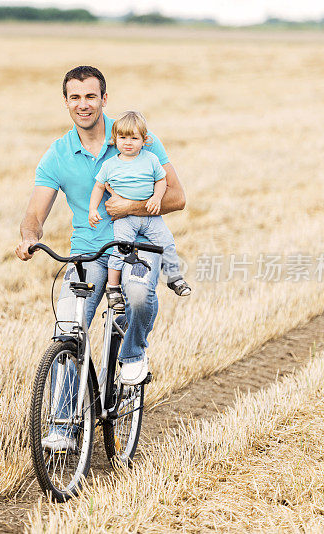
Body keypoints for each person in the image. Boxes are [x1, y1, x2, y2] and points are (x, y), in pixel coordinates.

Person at [15, 66, 186, 450]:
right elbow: (35, 213)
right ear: (66, 103)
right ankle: (62, 424)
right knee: (68, 331)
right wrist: (28, 237)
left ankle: (133, 355)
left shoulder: (135, 137)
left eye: (90, 96)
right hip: (88, 253)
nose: (83, 104)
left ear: (103, 99)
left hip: (138, 247)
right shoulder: (58, 154)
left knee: (140, 298)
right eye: (75, 97)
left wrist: (133, 207)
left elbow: (177, 197)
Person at [88, 110, 191, 314]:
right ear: (114, 139)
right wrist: (93, 209)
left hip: (150, 217)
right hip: (124, 220)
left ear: (144, 140)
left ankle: (174, 277)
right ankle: (113, 288)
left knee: (167, 242)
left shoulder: (150, 159)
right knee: (119, 250)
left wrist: (156, 198)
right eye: (123, 137)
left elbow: (161, 181)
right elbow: (99, 187)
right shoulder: (110, 164)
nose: (128, 142)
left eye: (134, 138)